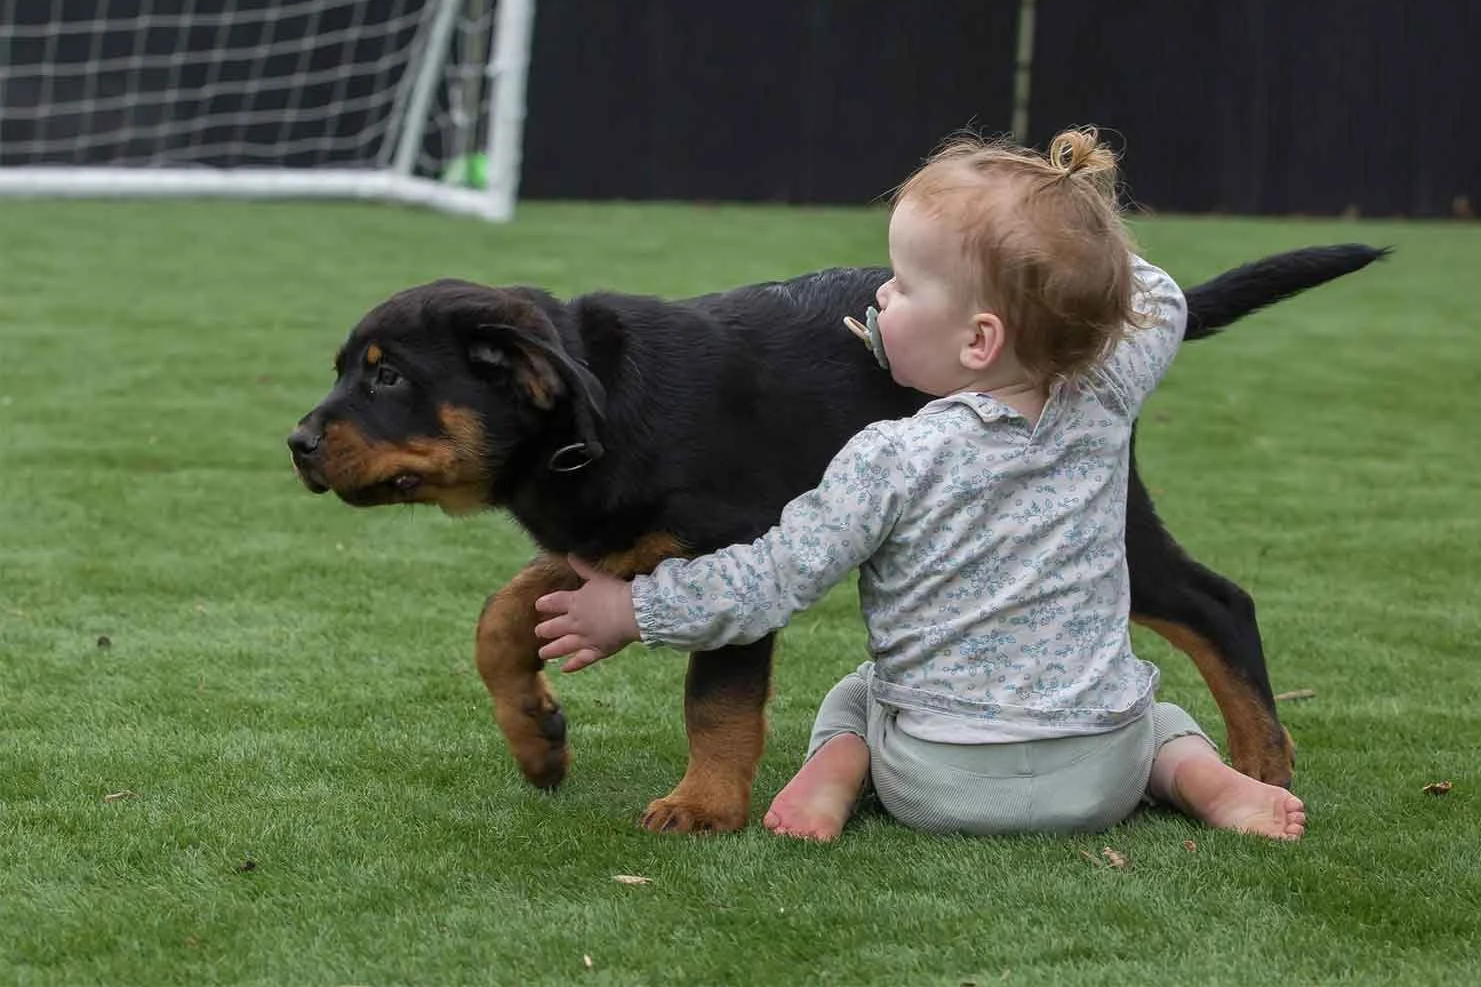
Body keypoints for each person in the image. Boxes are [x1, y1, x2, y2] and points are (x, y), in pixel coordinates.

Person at [533, 127, 1306, 844]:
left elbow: (767, 581)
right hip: (1098, 775)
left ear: (979, 340)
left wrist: (632, 609)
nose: (877, 297)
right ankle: (1207, 783)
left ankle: (834, 772)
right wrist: (1070, 226)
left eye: (901, 285)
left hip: (938, 780)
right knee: (1157, 716)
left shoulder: (889, 456)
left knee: (857, 697)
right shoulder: (1105, 396)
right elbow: (1160, 296)